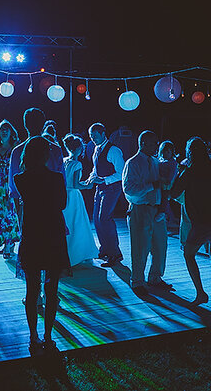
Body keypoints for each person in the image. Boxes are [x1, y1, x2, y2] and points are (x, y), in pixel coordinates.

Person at [14, 136, 69, 356]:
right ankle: (48, 336)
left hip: (33, 234)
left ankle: (33, 336)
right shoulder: (55, 178)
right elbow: (62, 204)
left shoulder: (21, 179)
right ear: (47, 154)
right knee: (52, 288)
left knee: (32, 289)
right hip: (52, 234)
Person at [171, 137, 211, 308]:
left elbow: (173, 192)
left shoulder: (188, 173)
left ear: (189, 152)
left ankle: (201, 293)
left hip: (203, 220)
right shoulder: (210, 171)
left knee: (188, 254)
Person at [122, 131, 172, 295]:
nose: (157, 146)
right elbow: (129, 189)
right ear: (143, 143)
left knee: (160, 246)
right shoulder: (133, 163)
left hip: (156, 209)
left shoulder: (156, 162)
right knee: (140, 248)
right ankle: (137, 282)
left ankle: (155, 278)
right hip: (140, 209)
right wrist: (153, 185)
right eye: (153, 143)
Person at [85, 123, 125, 267]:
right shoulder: (96, 149)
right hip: (100, 188)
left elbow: (121, 173)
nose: (93, 139)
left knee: (105, 219)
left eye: (95, 136)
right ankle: (105, 249)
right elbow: (95, 169)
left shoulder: (114, 150)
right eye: (91, 136)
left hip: (112, 188)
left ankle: (115, 254)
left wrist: (103, 180)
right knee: (96, 219)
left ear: (103, 133)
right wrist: (90, 178)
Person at [62, 134, 98, 266]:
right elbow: (76, 184)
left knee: (68, 223)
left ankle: (67, 253)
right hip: (74, 196)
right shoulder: (77, 164)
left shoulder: (64, 161)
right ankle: (78, 254)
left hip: (64, 195)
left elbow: (68, 181)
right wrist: (89, 185)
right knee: (77, 224)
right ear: (78, 149)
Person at [0, 120, 22, 259]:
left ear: (11, 132)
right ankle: (6, 243)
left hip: (10, 184)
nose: (4, 131)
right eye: (2, 129)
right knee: (1, 213)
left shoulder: (15, 147)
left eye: (7, 129)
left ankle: (10, 244)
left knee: (10, 214)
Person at [156, 141, 178, 224]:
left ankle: (162, 212)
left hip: (166, 185)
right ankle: (167, 216)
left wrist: (165, 180)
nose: (166, 153)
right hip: (159, 184)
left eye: (168, 151)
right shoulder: (160, 161)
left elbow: (172, 176)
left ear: (172, 152)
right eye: (164, 151)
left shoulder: (172, 163)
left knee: (164, 198)